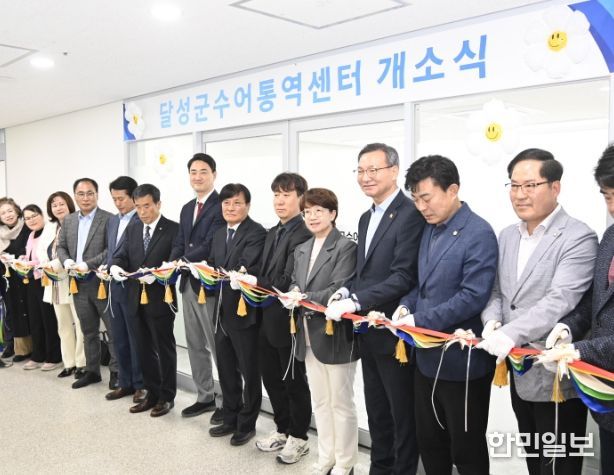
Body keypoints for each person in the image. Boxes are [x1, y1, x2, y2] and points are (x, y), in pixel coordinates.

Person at [478, 148, 598, 475]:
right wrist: (492, 321)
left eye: (530, 185)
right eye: (514, 186)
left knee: (559, 465)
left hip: (556, 375)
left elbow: (560, 299)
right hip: (520, 369)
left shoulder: (578, 236)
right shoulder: (507, 235)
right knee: (535, 459)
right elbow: (497, 291)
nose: (520, 195)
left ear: (555, 187)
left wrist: (508, 333)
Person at [391, 156, 498, 474]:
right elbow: (421, 284)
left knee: (466, 451)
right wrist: (407, 306)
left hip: (462, 364)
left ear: (452, 190)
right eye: (416, 199)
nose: (421, 207)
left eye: (426, 198)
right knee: (430, 444)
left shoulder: (478, 232)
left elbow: (472, 296)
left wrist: (419, 321)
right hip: (425, 359)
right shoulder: (429, 229)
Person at [325, 143, 425, 475]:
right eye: (361, 171)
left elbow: (403, 275)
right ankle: (379, 469)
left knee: (401, 414)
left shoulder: (410, 214)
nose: (365, 177)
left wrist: (356, 301)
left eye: (373, 170)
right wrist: (346, 289)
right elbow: (365, 271)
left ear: (394, 171)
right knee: (377, 411)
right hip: (367, 332)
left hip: (394, 333)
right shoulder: (366, 217)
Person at [543, 143, 614, 475]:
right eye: (608, 196)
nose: (613, 207)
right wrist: (569, 326)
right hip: (606, 398)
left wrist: (581, 350)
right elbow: (594, 300)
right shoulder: (610, 237)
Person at [283, 188, 358, 475]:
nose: (312, 217)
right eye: (307, 212)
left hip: (334, 334)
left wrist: (302, 297)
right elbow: (294, 281)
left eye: (318, 211)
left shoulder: (345, 247)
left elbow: (338, 287)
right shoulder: (302, 248)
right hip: (306, 333)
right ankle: (326, 458)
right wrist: (293, 292)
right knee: (321, 401)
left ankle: (345, 462)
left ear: (332, 214)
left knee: (341, 402)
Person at [254, 173, 313, 465]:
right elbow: (266, 271)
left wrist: (255, 282)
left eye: (286, 195)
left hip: (288, 318)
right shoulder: (274, 230)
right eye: (276, 194)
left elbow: (286, 279)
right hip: (266, 315)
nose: (279, 201)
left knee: (293, 380)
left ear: (301, 198)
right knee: (271, 377)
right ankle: (282, 428)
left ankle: (299, 437)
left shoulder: (303, 232)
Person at [110, 184, 179, 417]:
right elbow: (120, 254)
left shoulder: (173, 229)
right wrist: (116, 266)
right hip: (134, 298)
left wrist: (158, 274)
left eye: (147, 206)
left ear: (158, 204)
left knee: (163, 349)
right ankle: (152, 393)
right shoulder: (133, 228)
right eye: (138, 207)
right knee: (142, 349)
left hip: (160, 298)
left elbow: (175, 261)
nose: (142, 212)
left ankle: (167, 396)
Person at [207, 183, 266, 445]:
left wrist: (220, 272)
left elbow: (245, 266)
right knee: (226, 367)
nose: (230, 208)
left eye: (237, 203)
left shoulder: (256, 232)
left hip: (244, 312)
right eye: (226, 203)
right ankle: (230, 415)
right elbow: (214, 264)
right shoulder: (219, 232)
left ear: (248, 206)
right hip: (220, 310)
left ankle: (247, 423)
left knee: (249, 370)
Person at [170, 153, 225, 423]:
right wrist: (171, 263)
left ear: (214, 174)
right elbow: (181, 241)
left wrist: (182, 260)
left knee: (218, 346)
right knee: (194, 344)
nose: (198, 176)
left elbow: (211, 243)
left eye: (203, 171)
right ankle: (205, 396)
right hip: (187, 283)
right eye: (193, 172)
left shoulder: (222, 205)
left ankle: (229, 400)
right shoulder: (186, 208)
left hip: (209, 285)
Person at [57, 177, 118, 389]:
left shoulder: (109, 219)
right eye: (81, 194)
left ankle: (116, 372)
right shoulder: (69, 221)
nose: (86, 198)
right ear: (75, 196)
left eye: (90, 193)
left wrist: (87, 264)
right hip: (78, 284)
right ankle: (92, 371)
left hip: (101, 283)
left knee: (112, 331)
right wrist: (67, 261)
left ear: (97, 195)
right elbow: (61, 246)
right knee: (88, 330)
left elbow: (110, 250)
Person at [105, 176, 146, 403]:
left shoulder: (141, 220)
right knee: (118, 336)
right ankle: (125, 381)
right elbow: (111, 251)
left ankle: (141, 384)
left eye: (121, 198)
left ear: (133, 197)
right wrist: (107, 267)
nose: (118, 203)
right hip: (114, 285)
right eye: (114, 199)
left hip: (133, 286)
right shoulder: (113, 221)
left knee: (135, 338)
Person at [43, 191, 86, 378]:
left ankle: (81, 363)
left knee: (81, 324)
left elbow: (75, 253)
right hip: (54, 282)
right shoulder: (52, 228)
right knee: (63, 325)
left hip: (73, 279)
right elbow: (45, 252)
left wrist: (54, 264)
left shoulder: (78, 224)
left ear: (69, 204)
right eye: (54, 205)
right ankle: (69, 363)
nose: (58, 208)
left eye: (61, 204)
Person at [21, 205, 62, 371]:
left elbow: (48, 257)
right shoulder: (31, 234)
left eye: (34, 216)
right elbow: (30, 255)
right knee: (35, 319)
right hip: (32, 280)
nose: (31, 220)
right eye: (27, 218)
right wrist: (22, 260)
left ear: (42, 215)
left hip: (45, 279)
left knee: (48, 319)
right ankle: (38, 355)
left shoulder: (49, 231)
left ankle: (54, 357)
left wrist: (30, 263)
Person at [0, 197, 32, 368]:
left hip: (25, 274)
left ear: (17, 211)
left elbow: (28, 249)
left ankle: (34, 347)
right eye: (3, 213)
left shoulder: (26, 226)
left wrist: (14, 257)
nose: (8, 215)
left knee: (29, 309)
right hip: (6, 276)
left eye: (10, 211)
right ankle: (16, 345)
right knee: (11, 310)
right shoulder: (1, 232)